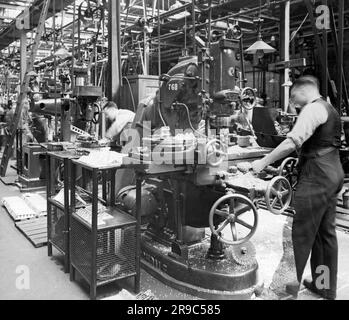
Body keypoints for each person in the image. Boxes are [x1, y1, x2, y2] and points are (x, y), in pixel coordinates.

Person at [251, 75, 344, 300]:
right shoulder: (329, 108)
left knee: (298, 236)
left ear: (303, 91)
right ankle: (324, 286)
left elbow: (292, 141)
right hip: (332, 173)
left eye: (293, 98)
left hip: (317, 177)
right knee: (325, 235)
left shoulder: (312, 109)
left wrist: (261, 163)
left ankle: (280, 291)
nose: (293, 104)